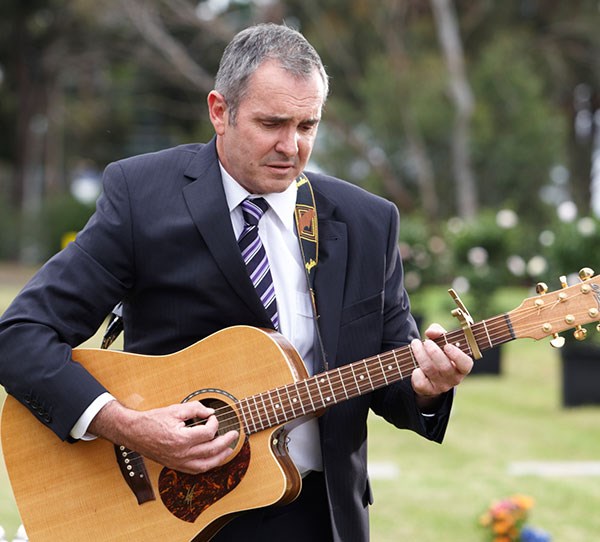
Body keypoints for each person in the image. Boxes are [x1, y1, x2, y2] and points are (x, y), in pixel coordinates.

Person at [0, 23, 472, 542]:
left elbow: (391, 372)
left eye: (308, 125)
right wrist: (127, 426)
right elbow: (20, 336)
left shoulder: (367, 221)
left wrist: (425, 388)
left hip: (318, 517)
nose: (291, 146)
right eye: (271, 123)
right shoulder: (142, 196)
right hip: (173, 513)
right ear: (219, 111)